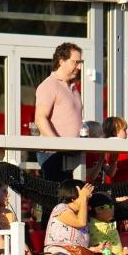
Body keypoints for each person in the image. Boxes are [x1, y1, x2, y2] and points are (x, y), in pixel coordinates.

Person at [41, 180, 126, 255]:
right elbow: (80, 223)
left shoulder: (82, 216)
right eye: (85, 196)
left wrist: (96, 249)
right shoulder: (61, 208)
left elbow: (78, 246)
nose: (88, 200)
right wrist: (83, 198)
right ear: (73, 197)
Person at [33, 42, 85, 184]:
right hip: (53, 154)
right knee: (56, 201)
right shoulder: (49, 85)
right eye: (76, 62)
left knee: (72, 202)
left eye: (80, 62)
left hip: (73, 154)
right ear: (61, 61)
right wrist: (58, 145)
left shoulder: (74, 88)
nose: (79, 67)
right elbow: (40, 118)